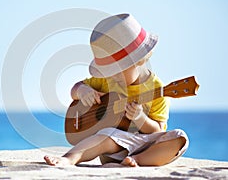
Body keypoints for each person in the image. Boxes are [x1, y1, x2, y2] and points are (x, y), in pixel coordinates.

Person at [44, 13, 189, 167]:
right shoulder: (106, 80)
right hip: (113, 145)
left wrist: (140, 118)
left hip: (143, 145)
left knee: (180, 138)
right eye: (108, 72)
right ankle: (70, 158)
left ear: (140, 60)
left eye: (116, 71)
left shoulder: (158, 89)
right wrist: (82, 91)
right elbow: (75, 90)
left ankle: (136, 160)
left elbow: (157, 131)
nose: (111, 77)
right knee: (107, 135)